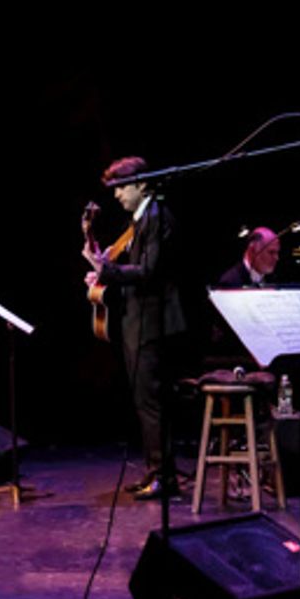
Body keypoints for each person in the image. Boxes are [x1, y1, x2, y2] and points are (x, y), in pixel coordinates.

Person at [83, 156, 187, 500]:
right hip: (138, 322)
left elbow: (149, 271)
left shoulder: (155, 217)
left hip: (152, 325)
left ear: (142, 183)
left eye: (120, 188)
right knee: (146, 403)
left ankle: (162, 476)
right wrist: (104, 271)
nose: (116, 196)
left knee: (152, 404)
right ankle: (156, 471)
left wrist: (107, 270)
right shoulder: (140, 220)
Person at [216, 227, 281, 288]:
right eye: (271, 252)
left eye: (277, 252)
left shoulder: (272, 279)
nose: (277, 258)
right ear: (253, 251)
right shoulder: (230, 282)